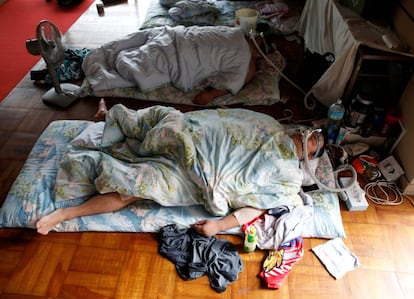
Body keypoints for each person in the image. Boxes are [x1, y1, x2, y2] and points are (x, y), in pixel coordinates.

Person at [37, 100, 325, 236]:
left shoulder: (289, 181)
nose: (310, 135)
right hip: (190, 136)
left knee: (137, 186)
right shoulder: (271, 124)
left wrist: (220, 225)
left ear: (312, 158)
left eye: (317, 140)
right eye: (312, 130)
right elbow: (220, 117)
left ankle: (66, 213)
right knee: (159, 121)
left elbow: (260, 207)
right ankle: (107, 120)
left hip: (201, 177)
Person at [82, 25, 261, 106]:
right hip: (175, 42)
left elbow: (210, 94)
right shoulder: (237, 35)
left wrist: (209, 95)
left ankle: (105, 63)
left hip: (174, 47)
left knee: (135, 61)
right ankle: (107, 64)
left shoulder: (244, 57)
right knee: (139, 56)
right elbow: (205, 97)